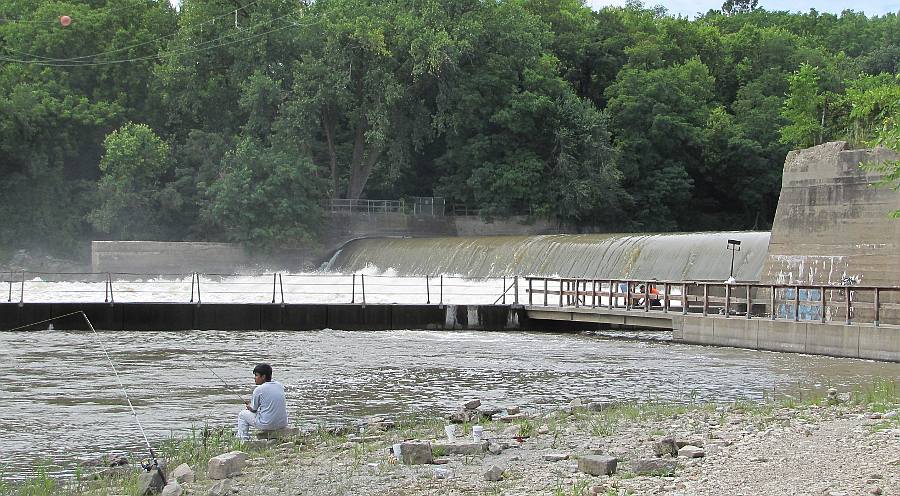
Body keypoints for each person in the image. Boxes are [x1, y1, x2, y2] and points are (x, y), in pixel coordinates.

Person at [237, 363, 288, 440]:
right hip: (282, 423)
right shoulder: (279, 385)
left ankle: (243, 439)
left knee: (242, 415)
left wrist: (248, 406)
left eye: (256, 375)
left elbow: (254, 409)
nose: (255, 378)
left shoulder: (259, 390)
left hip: (267, 424)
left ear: (263, 377)